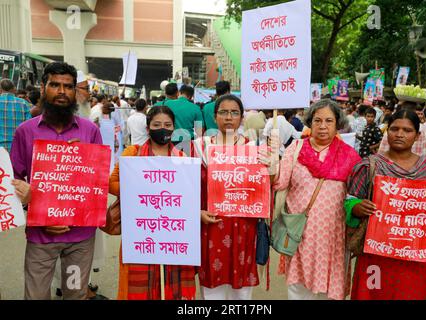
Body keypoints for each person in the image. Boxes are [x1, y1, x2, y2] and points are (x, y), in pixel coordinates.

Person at [10, 61, 103, 300]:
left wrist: (86, 160)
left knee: (75, 295)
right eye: (55, 85)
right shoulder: (25, 131)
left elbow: (97, 185)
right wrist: (33, 210)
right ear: (43, 88)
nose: (62, 91)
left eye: (68, 86)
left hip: (80, 237)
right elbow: (14, 182)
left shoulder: (89, 131)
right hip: (41, 235)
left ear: (75, 92)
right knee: (36, 296)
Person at [346, 109, 426, 300]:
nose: (400, 134)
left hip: (416, 256)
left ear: (417, 136)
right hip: (376, 255)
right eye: (394, 129)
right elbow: (349, 201)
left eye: (407, 130)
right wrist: (357, 208)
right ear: (387, 132)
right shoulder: (369, 166)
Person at [272, 99, 361, 300]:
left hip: (334, 238)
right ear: (309, 123)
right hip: (301, 235)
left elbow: (356, 196)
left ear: (337, 124)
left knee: (328, 293)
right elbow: (279, 183)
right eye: (317, 120)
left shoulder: (349, 156)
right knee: (299, 292)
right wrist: (270, 164)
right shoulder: (295, 149)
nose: (322, 126)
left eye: (329, 121)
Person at [109, 105, 196, 300]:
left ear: (174, 128)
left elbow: (188, 198)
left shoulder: (182, 159)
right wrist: (135, 190)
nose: (162, 128)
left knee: (172, 288)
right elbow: (111, 183)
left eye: (167, 124)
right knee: (138, 288)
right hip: (141, 234)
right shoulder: (133, 154)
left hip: (172, 235)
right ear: (148, 129)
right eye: (157, 125)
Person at [193, 94, 263, 300]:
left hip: (243, 226)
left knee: (240, 290)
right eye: (223, 112)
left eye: (234, 113)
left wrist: (271, 168)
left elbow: (264, 189)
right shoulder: (199, 147)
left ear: (242, 118)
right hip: (211, 225)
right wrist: (197, 212)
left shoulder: (253, 149)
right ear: (215, 117)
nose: (229, 117)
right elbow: (187, 186)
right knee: (212, 286)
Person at [0, 79, 31, 152]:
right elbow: (28, 127)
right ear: (14, 89)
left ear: (0, 89)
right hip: (17, 147)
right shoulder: (23, 103)